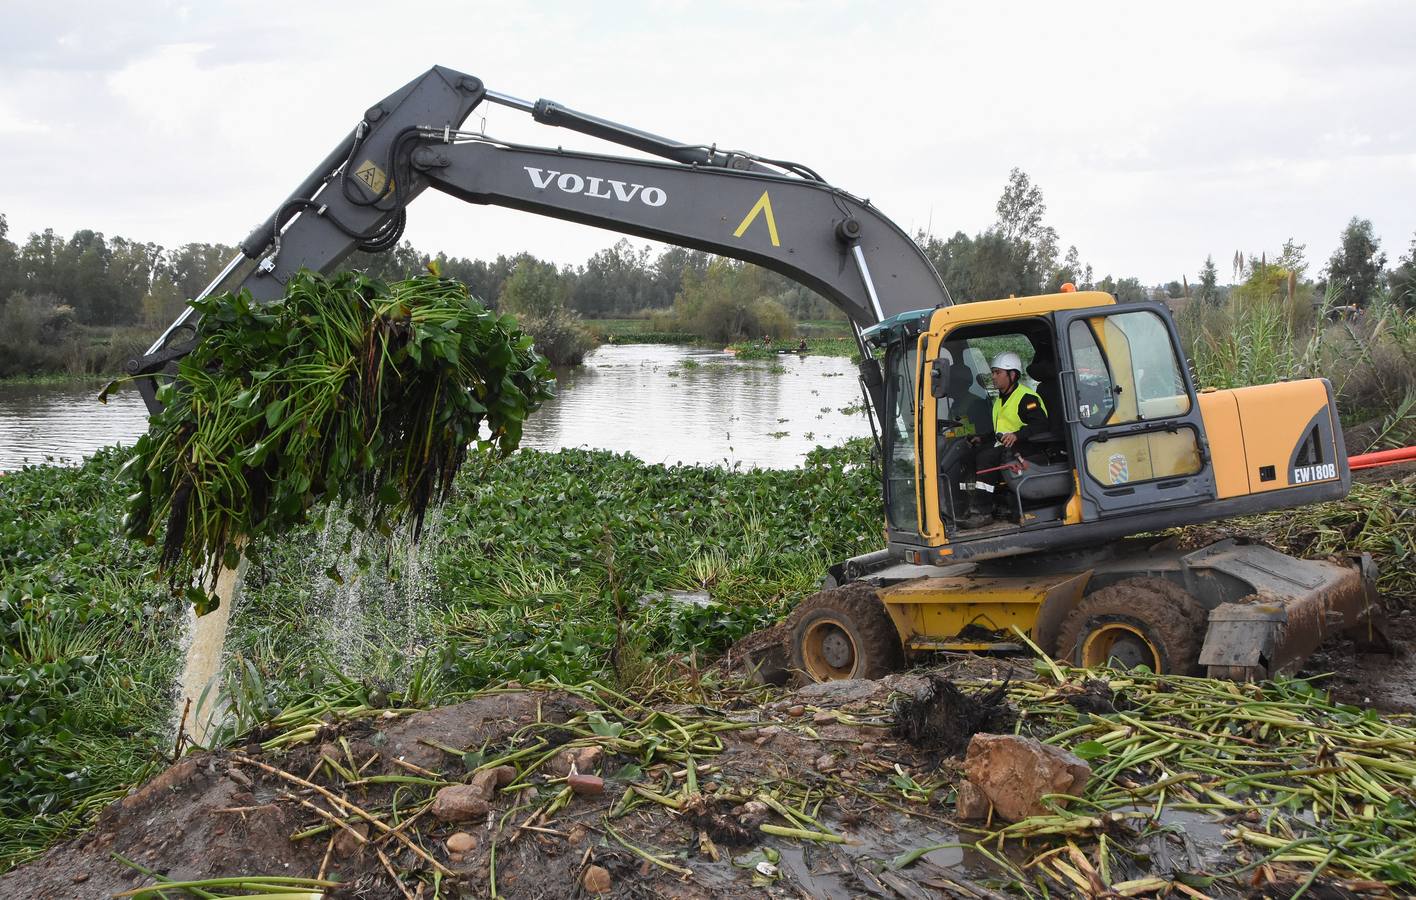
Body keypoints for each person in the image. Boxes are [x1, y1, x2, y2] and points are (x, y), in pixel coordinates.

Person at [959, 351, 1050, 528]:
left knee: (986, 458)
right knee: (968, 454)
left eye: (997, 372)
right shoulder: (1000, 400)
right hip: (1007, 445)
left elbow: (1041, 426)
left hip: (1028, 447)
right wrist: (981, 438)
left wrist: (1017, 435)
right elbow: (1000, 431)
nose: (993, 377)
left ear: (1012, 375)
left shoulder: (1026, 398)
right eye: (993, 372)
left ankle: (982, 511)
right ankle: (970, 504)